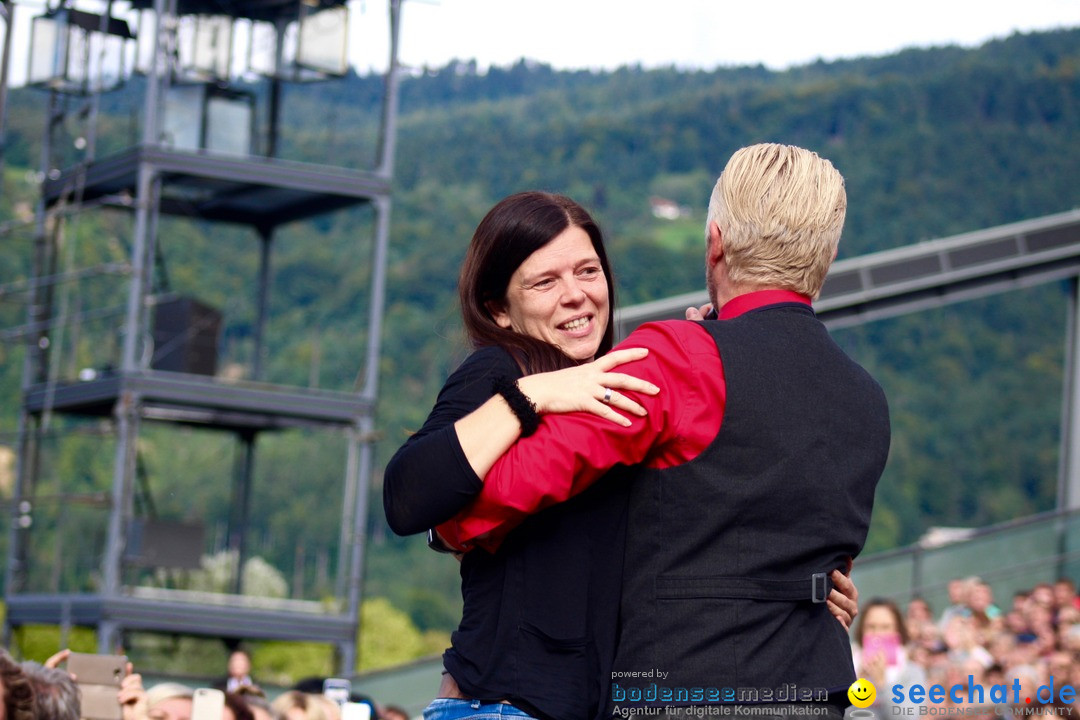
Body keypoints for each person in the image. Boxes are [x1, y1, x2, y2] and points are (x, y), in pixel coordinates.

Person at [436, 144, 891, 718]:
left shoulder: (679, 358)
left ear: (716, 242)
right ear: (825, 257)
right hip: (815, 691)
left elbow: (494, 495)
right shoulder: (866, 398)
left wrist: (450, 525)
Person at [851, 598, 927, 715]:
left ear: (897, 631)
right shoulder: (849, 666)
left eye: (885, 627)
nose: (877, 633)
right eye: (871, 627)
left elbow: (908, 717)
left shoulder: (912, 672)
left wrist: (882, 685)